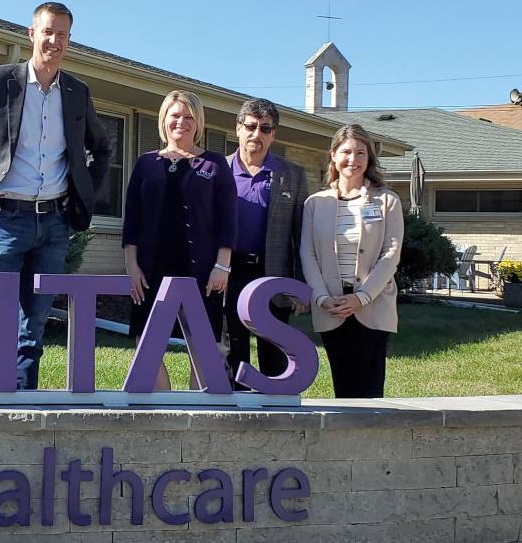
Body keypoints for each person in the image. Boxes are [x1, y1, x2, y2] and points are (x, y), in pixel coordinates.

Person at [0, 2, 110, 391]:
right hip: (3, 219)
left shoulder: (77, 92)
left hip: (53, 225)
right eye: (48, 32)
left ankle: (24, 412)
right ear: (32, 34)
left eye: (62, 35)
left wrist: (82, 193)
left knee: (32, 330)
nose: (55, 41)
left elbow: (102, 149)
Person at [122, 90, 237, 390]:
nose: (181, 122)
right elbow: (132, 220)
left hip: (201, 272)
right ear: (163, 120)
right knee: (145, 346)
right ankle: (165, 405)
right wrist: (131, 266)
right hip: (150, 270)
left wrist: (222, 266)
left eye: (189, 117)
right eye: (175, 116)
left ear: (198, 123)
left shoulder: (214, 165)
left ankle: (199, 413)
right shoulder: (146, 163)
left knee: (204, 347)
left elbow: (228, 219)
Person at [300, 124, 404, 398]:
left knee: (369, 390)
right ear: (333, 155)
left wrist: (362, 297)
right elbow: (307, 254)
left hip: (372, 305)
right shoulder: (315, 203)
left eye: (361, 153)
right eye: (346, 152)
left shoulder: (386, 201)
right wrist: (321, 298)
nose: (353, 160)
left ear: (369, 158)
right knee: (343, 389)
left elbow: (391, 254)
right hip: (331, 306)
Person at [224, 98, 308, 386]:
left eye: (264, 129)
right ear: (238, 129)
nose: (256, 134)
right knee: (232, 354)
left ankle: (276, 419)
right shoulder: (217, 171)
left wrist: (299, 285)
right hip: (229, 273)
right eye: (250, 126)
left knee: (275, 358)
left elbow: (301, 235)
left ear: (273, 134)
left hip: (273, 274)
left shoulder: (292, 176)